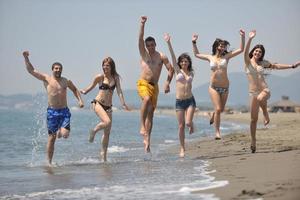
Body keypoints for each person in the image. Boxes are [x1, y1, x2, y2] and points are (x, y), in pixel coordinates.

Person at [23, 51, 84, 166]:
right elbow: (31, 71)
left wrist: (80, 100)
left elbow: (75, 89)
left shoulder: (66, 81)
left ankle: (60, 131)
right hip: (52, 112)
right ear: (52, 69)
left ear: (62, 70)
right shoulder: (47, 79)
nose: (58, 70)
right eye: (56, 68)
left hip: (64, 111)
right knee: (52, 138)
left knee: (65, 135)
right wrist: (26, 58)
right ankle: (49, 163)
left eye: (60, 68)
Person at [244, 30, 300, 153]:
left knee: (260, 99)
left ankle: (265, 112)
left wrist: (291, 66)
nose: (258, 52)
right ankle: (253, 141)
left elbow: (276, 66)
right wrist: (250, 39)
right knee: (253, 120)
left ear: (262, 54)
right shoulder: (247, 62)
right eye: (256, 51)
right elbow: (245, 50)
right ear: (253, 52)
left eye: (260, 52)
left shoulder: (264, 63)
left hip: (264, 90)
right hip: (252, 92)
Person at [192, 30, 245, 140]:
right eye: (221, 45)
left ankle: (213, 114)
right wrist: (194, 42)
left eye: (224, 46)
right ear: (216, 46)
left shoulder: (227, 57)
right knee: (218, 108)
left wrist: (242, 37)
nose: (222, 47)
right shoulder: (210, 57)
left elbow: (241, 49)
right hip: (213, 87)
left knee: (220, 110)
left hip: (225, 88)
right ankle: (217, 132)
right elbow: (196, 54)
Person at [80, 57, 130, 162]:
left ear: (112, 67)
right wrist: (84, 92)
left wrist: (123, 103)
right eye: (104, 65)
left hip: (108, 107)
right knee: (107, 122)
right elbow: (91, 86)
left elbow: (119, 91)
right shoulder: (100, 77)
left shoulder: (115, 78)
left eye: (107, 65)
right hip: (97, 103)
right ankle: (93, 131)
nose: (105, 67)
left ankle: (104, 158)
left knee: (107, 133)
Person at [137, 16, 174, 153]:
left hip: (155, 86)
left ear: (156, 45)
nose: (150, 47)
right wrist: (142, 24)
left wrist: (167, 83)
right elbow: (140, 39)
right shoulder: (144, 55)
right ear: (146, 47)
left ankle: (147, 141)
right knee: (146, 99)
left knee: (151, 115)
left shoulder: (161, 56)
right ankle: (141, 126)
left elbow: (171, 69)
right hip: (143, 83)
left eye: (152, 45)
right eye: (148, 45)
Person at [164, 33, 196, 158]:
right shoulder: (177, 70)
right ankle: (182, 148)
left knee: (187, 123)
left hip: (190, 100)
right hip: (179, 102)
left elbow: (189, 79)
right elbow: (172, 56)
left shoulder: (191, 72)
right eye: (182, 61)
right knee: (181, 126)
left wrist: (185, 74)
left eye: (186, 61)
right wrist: (168, 42)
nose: (184, 63)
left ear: (189, 63)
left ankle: (191, 124)